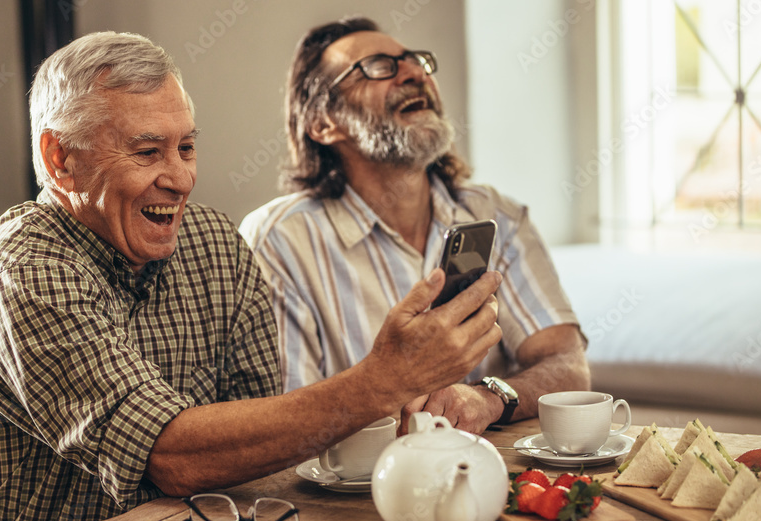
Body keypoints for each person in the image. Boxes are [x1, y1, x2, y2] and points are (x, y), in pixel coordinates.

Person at [0, 31, 501, 521]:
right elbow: (170, 458)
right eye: (146, 153)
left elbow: (263, 450)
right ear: (61, 159)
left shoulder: (212, 242)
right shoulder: (21, 273)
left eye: (185, 147)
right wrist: (384, 381)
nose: (181, 179)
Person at [239, 17, 590, 436]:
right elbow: (283, 422)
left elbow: (568, 366)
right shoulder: (279, 239)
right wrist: (391, 378)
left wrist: (487, 397)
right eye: (378, 66)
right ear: (324, 123)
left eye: (416, 60)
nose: (415, 72)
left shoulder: (498, 215)